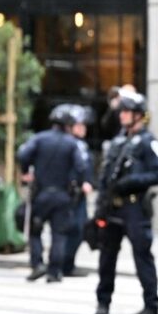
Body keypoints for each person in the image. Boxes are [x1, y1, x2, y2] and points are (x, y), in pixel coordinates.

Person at [94, 91, 158, 314]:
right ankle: (103, 301)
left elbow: (156, 175)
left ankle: (151, 304)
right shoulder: (118, 140)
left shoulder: (147, 142)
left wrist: (131, 182)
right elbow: (105, 176)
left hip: (134, 206)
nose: (122, 116)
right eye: (121, 111)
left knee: (142, 255)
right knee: (107, 256)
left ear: (138, 115)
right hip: (112, 205)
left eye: (127, 112)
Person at [17, 105, 90, 282]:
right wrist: (78, 184)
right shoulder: (72, 143)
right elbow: (81, 167)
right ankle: (54, 272)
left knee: (35, 231)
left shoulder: (40, 138)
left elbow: (23, 154)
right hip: (62, 196)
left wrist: (27, 171)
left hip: (41, 194)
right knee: (59, 234)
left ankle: (37, 264)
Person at [60, 105, 95, 277]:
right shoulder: (67, 144)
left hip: (80, 195)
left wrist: (88, 182)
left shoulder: (82, 145)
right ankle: (63, 264)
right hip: (69, 194)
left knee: (79, 230)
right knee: (70, 229)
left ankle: (68, 263)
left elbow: (87, 168)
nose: (83, 129)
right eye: (79, 125)